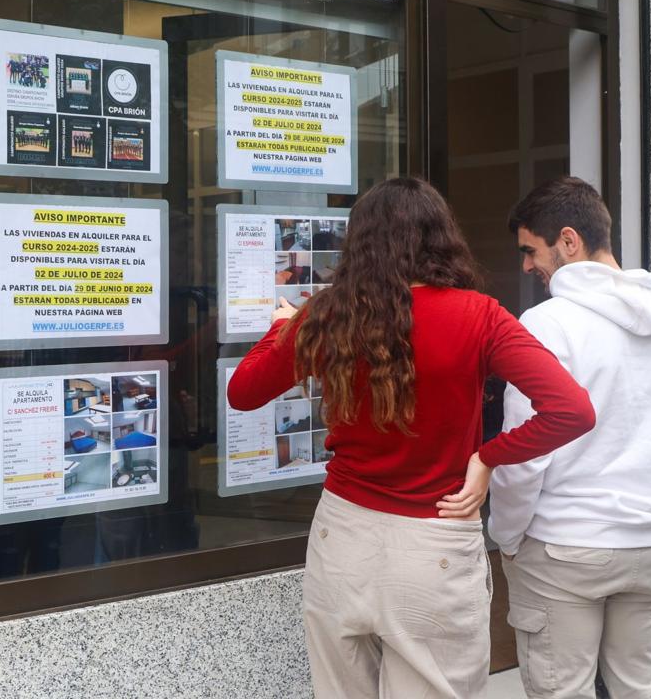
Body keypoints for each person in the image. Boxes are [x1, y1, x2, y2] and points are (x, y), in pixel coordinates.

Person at [227, 177, 596, 698]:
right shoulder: (480, 316)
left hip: (342, 537)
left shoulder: (329, 314)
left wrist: (284, 326)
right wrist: (489, 458)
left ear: (360, 243)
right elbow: (572, 410)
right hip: (435, 543)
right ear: (441, 238)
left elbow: (242, 392)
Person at [486, 177, 651, 698]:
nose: (525, 266)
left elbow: (524, 454)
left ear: (569, 241)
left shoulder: (546, 324)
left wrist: (507, 536)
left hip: (565, 545)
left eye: (529, 251)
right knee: (642, 689)